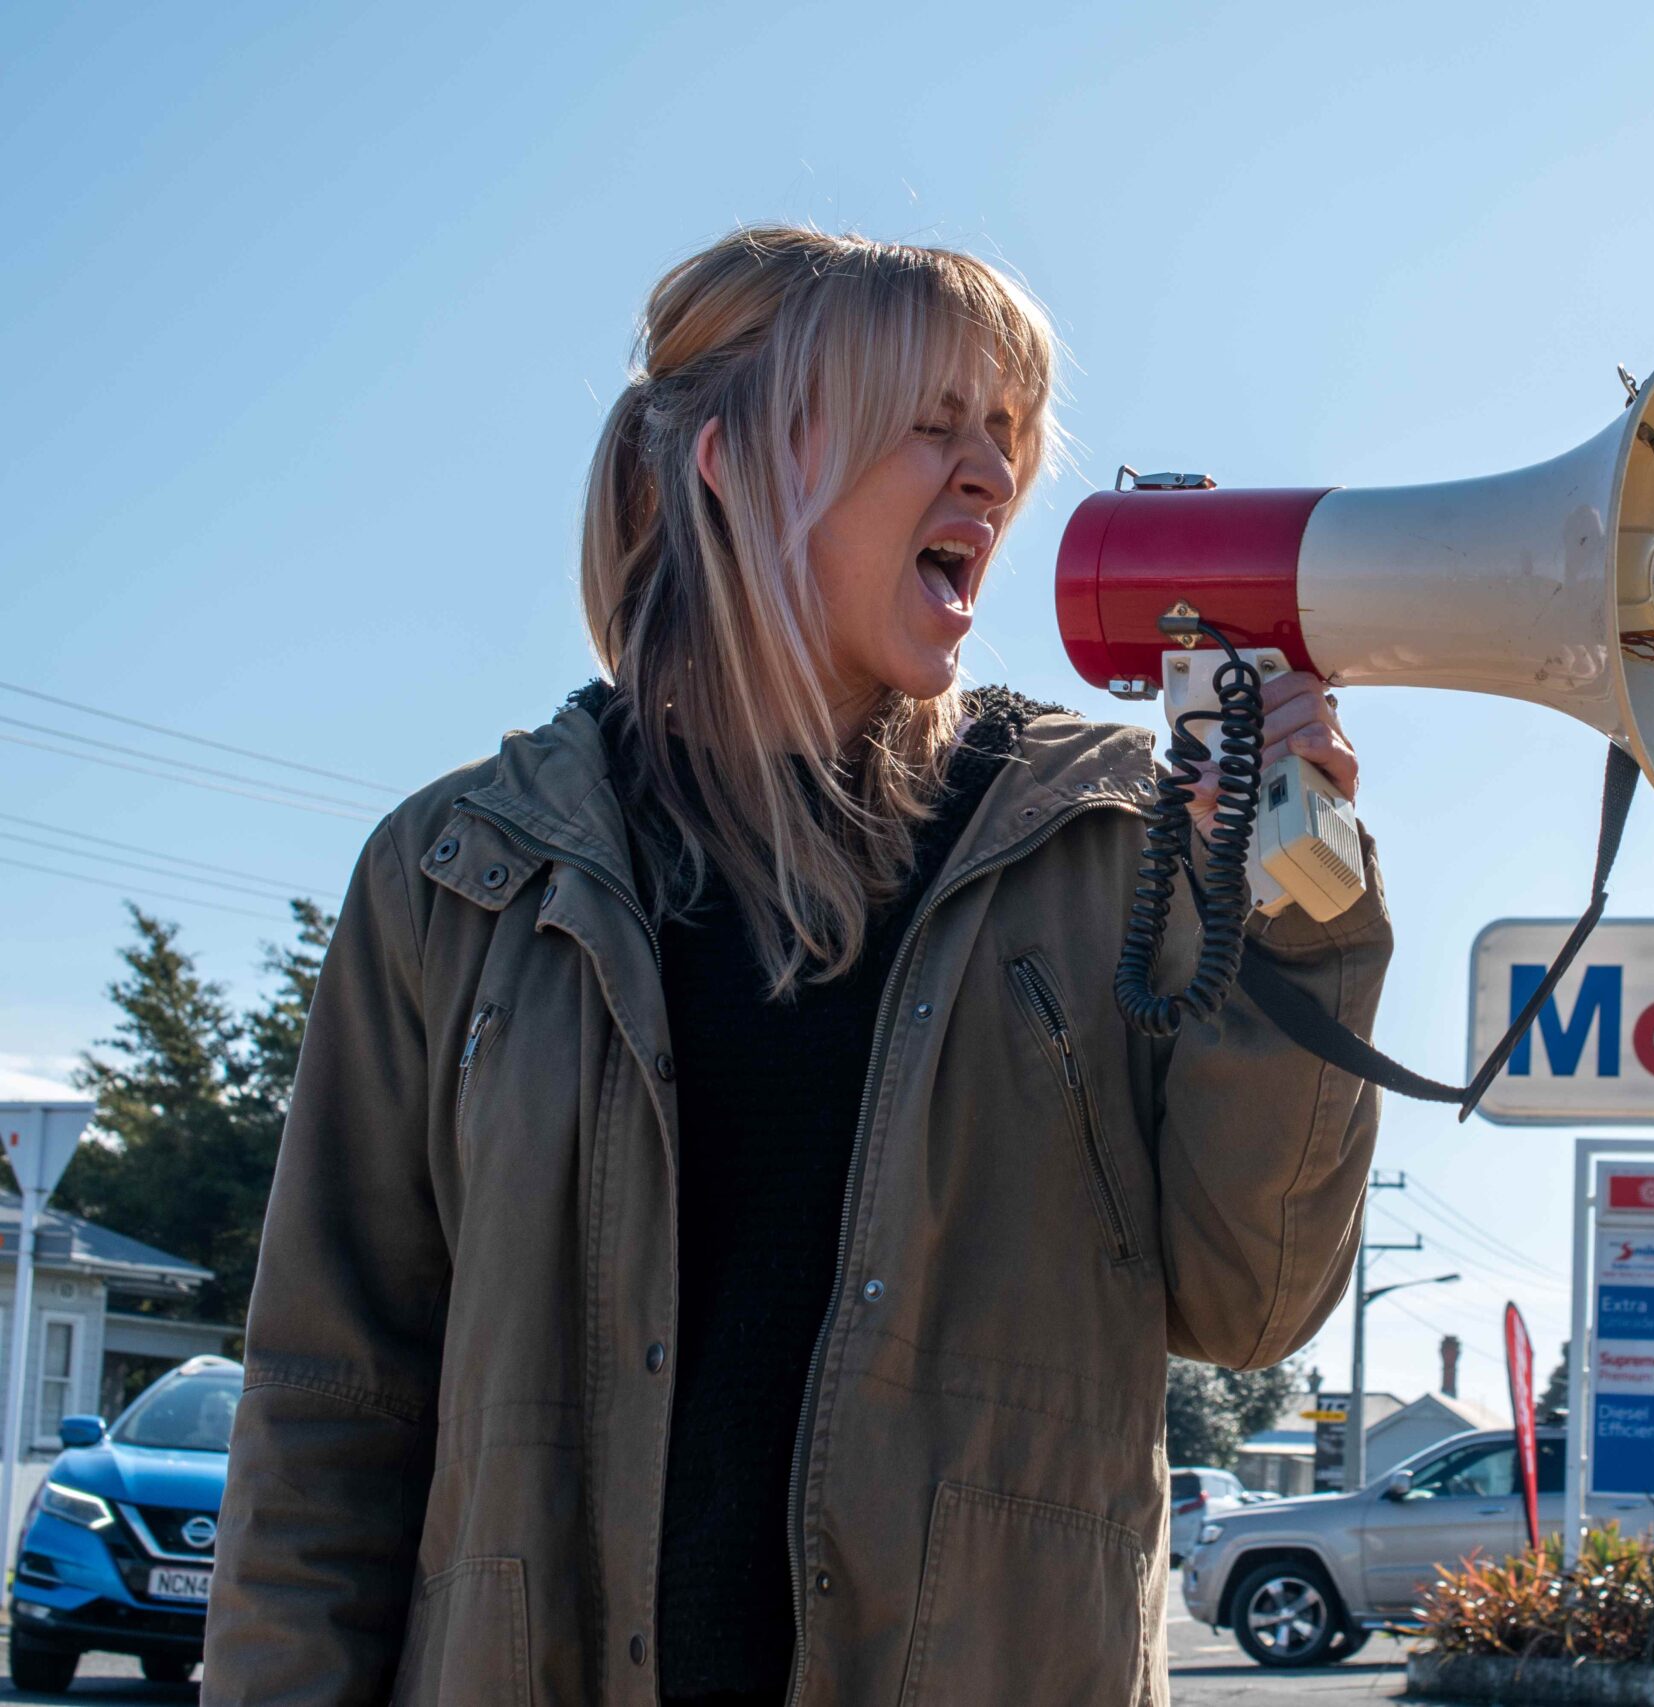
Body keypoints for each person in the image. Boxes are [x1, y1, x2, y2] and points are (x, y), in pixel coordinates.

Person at [204, 227, 1390, 1706]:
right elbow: (330, 1412)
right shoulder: (456, 877)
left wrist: (1297, 896)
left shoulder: (1111, 847)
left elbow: (1251, 1304)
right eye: (932, 424)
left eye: (1006, 434)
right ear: (731, 461)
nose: (995, 476)